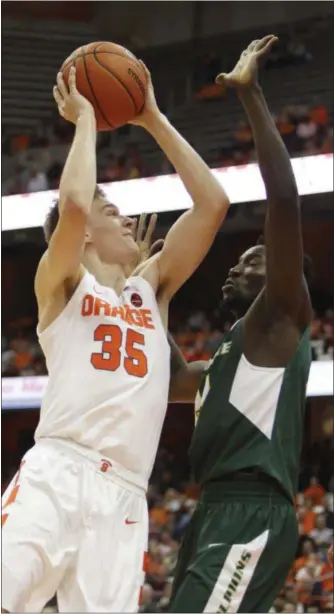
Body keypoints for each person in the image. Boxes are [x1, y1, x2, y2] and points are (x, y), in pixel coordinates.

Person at [1, 65, 230, 613]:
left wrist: (151, 117)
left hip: (125, 493)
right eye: (113, 211)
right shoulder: (59, 284)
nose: (126, 220)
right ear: (79, 240)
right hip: (56, 471)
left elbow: (213, 205)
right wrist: (84, 120)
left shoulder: (150, 290)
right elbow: (75, 206)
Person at [168, 36, 313, 613]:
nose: (237, 263)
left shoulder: (279, 318)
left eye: (252, 258)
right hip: (213, 510)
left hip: (252, 508)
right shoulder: (228, 355)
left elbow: (284, 201)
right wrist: (147, 286)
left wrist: (252, 95)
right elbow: (174, 378)